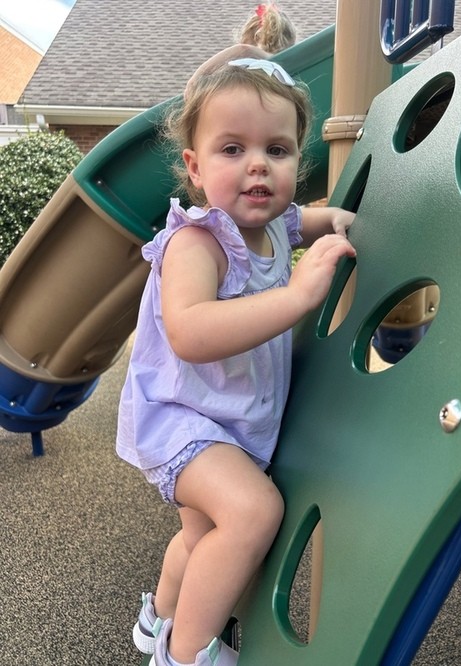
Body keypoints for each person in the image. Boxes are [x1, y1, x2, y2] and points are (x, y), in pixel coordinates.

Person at [116, 58, 356, 666]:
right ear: (195, 167)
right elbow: (191, 332)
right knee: (253, 512)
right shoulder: (196, 243)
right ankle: (184, 654)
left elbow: (305, 220)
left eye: (276, 149)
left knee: (201, 536)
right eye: (232, 148)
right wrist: (296, 297)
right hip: (182, 419)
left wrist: (337, 220)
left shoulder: (274, 225)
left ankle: (157, 616)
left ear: (296, 159)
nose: (257, 165)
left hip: (231, 419)